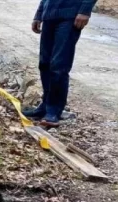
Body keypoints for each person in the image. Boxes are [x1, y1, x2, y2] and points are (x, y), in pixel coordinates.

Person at [22, 0, 97, 128]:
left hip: (70, 16)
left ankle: (54, 111)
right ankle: (45, 106)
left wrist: (85, 10)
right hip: (49, 15)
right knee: (44, 63)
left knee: (59, 66)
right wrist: (39, 14)